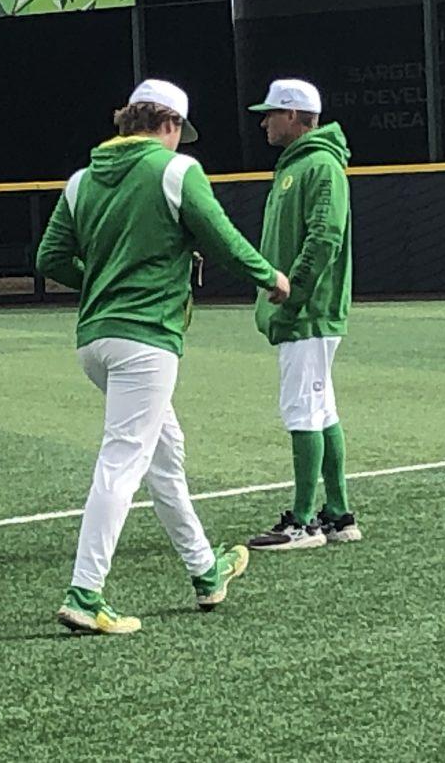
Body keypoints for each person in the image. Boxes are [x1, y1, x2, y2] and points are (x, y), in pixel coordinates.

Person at [36, 78, 291, 634]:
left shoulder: (82, 180)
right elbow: (222, 238)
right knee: (123, 462)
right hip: (145, 341)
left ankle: (205, 571)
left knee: (164, 455)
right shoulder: (176, 171)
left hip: (96, 341)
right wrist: (268, 277)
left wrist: (99, 283)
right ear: (169, 125)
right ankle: (84, 593)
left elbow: (51, 256)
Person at [245, 79, 361, 552]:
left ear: (293, 115)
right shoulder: (303, 164)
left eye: (272, 112)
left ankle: (305, 522)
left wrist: (294, 293)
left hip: (308, 313)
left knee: (304, 411)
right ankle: (337, 514)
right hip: (305, 312)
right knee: (322, 410)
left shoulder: (319, 165)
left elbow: (324, 238)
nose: (264, 121)